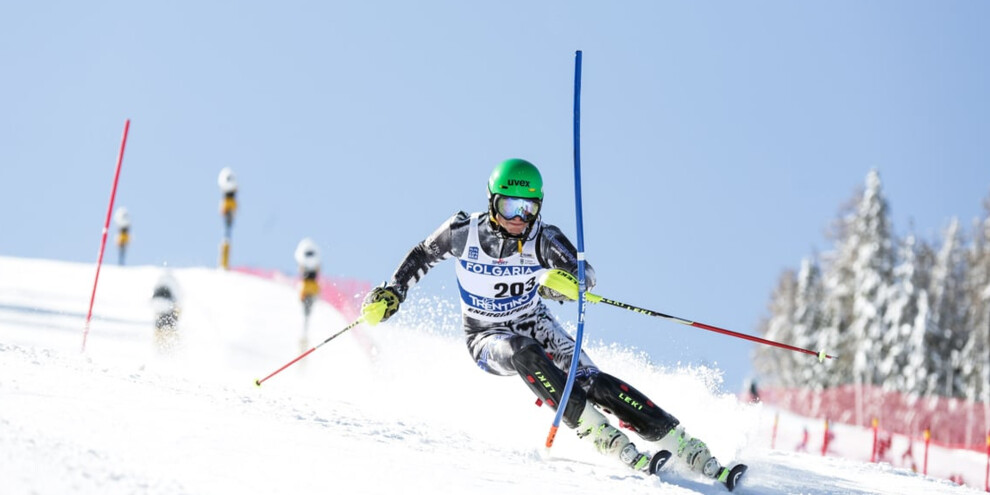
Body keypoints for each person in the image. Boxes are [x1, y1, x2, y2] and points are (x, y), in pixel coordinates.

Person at [361, 159, 740, 486]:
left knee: (594, 382)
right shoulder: (463, 232)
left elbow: (584, 275)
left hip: (534, 321)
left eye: (528, 209)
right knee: (524, 353)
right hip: (486, 335)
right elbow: (422, 254)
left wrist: (560, 285)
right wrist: (393, 291)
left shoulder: (543, 238)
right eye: (509, 206)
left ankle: (682, 444)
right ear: (492, 202)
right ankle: (599, 433)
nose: (518, 219)